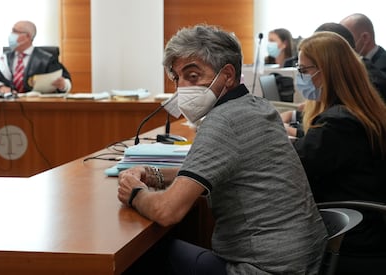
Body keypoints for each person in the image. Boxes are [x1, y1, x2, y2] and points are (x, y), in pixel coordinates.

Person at [118, 24, 327, 275]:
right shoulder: (257, 107)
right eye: (177, 78)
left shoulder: (223, 122)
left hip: (264, 268)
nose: (181, 87)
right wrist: (155, 175)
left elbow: (167, 211)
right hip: (304, 260)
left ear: (227, 75)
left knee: (141, 256)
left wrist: (135, 193)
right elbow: (211, 169)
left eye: (192, 76)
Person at [292, 31, 386, 274]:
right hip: (368, 225)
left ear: (325, 71)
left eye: (304, 70)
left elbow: (296, 168)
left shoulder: (339, 123)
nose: (301, 77)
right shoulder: (359, 111)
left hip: (350, 232)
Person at [281, 22, 386, 138]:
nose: (300, 76)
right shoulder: (346, 106)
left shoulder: (339, 119)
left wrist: (277, 130)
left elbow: (314, 146)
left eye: (303, 70)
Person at [0, 20, 72, 94]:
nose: (11, 35)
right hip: (7, 105)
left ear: (28, 36)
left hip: (37, 106)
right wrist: (0, 87)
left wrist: (63, 85)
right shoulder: (3, 60)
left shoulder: (47, 59)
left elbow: (64, 83)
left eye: (15, 31)